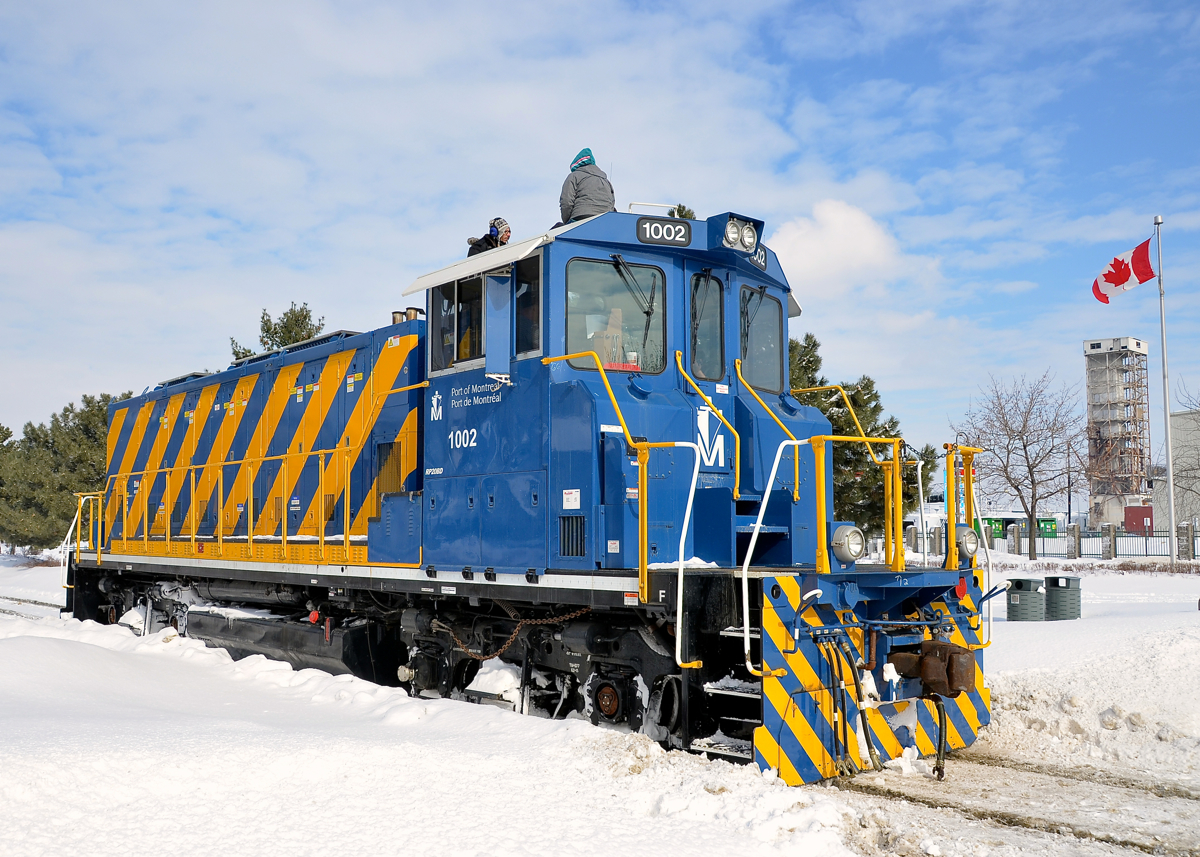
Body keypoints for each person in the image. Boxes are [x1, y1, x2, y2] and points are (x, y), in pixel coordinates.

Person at [559, 148, 615, 224]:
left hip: (580, 218)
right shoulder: (606, 181)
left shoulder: (574, 176)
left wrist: (566, 222)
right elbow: (612, 203)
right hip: (605, 220)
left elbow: (566, 202)